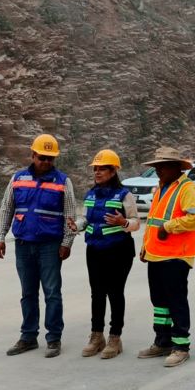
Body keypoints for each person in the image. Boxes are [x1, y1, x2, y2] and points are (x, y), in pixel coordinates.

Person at [0, 133, 76, 358]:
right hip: (24, 245)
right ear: (32, 155)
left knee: (52, 293)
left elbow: (70, 214)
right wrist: (0, 237)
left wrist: (67, 242)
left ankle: (53, 339)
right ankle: (28, 336)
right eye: (42, 157)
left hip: (50, 245)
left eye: (50, 158)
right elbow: (6, 209)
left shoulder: (62, 181)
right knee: (28, 293)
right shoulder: (18, 179)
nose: (46, 162)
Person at [67, 149, 140, 359]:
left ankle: (115, 338)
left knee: (115, 293)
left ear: (113, 170)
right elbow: (86, 219)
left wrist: (123, 222)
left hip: (119, 250)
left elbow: (136, 223)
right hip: (95, 249)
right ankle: (96, 336)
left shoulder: (124, 195)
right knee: (97, 293)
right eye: (95, 169)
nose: (97, 172)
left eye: (102, 169)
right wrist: (77, 225)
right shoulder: (90, 194)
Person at [136, 146, 195, 367]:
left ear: (176, 167)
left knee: (176, 301)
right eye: (156, 167)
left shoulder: (187, 188)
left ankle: (181, 346)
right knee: (159, 303)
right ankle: (163, 340)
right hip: (156, 254)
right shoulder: (161, 187)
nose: (158, 171)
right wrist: (145, 247)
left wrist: (170, 226)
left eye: (163, 166)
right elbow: (153, 221)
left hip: (176, 256)